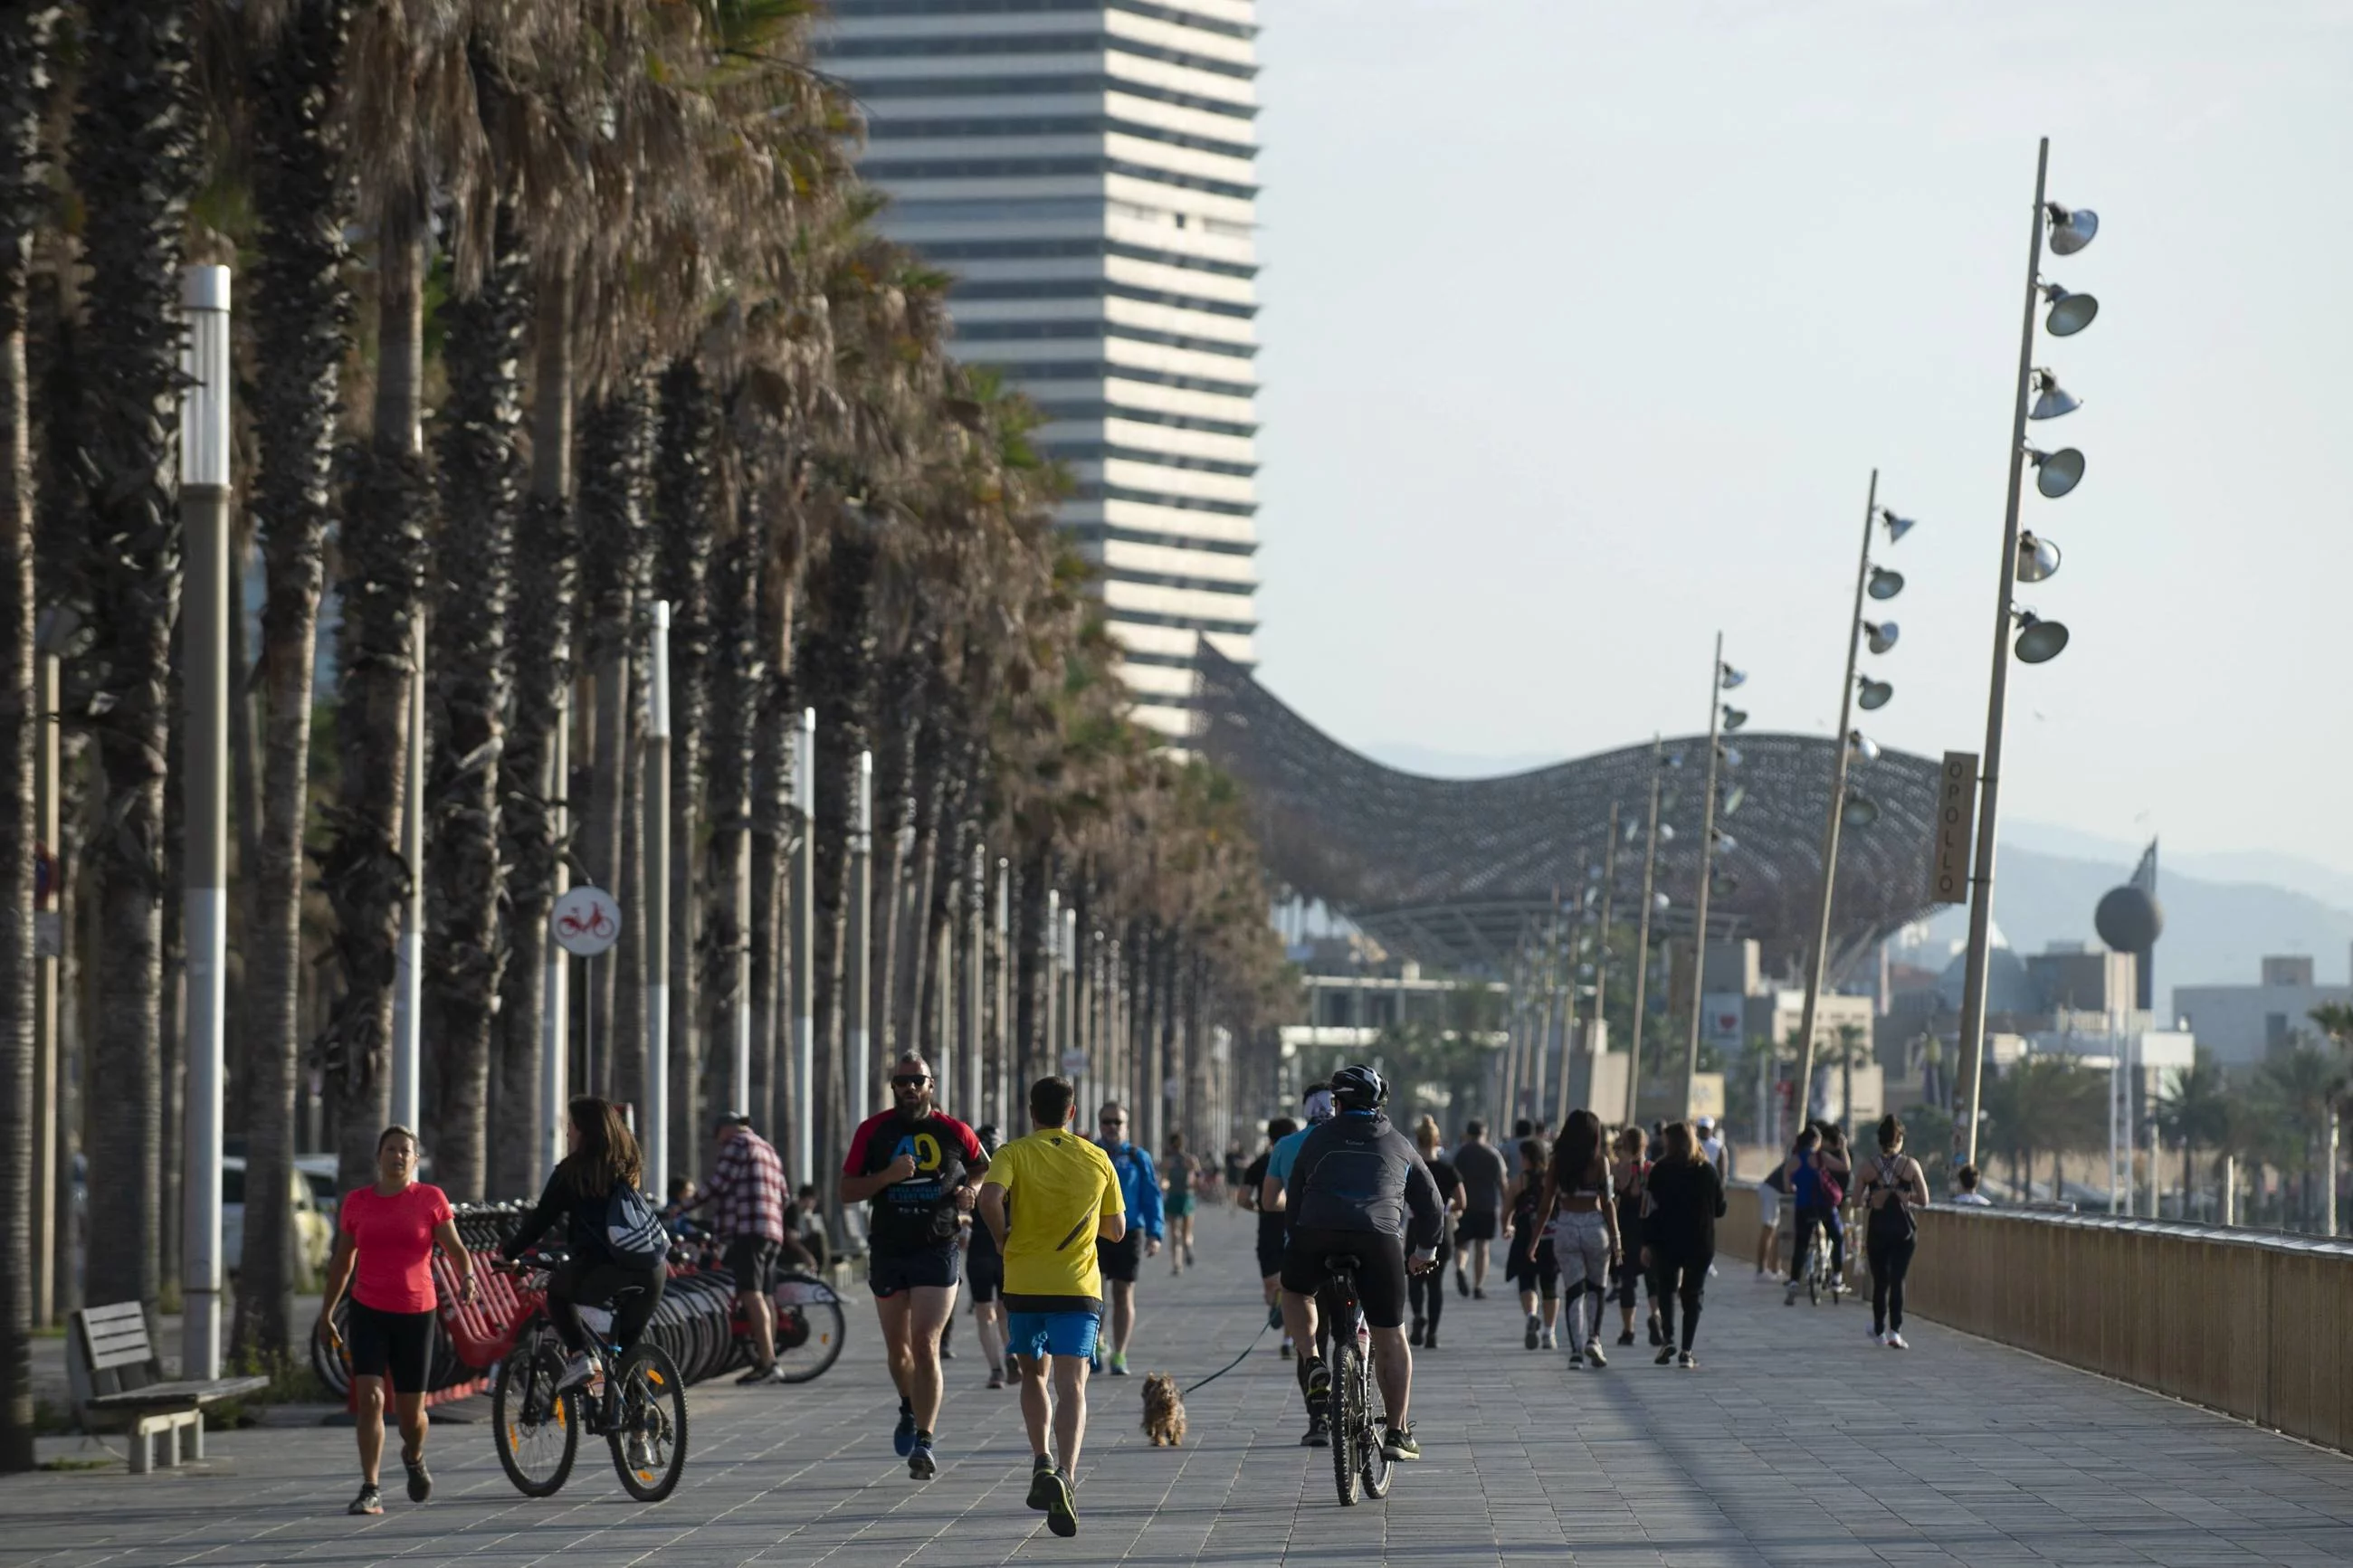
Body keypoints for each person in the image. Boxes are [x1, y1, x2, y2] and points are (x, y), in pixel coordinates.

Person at [977, 1075, 1125, 1539]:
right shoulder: (1097, 1158)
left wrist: (1003, 1237)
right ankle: (1066, 1474)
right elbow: (1117, 1229)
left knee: (1032, 1376)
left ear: (1031, 1111)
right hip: (1078, 1287)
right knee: (1072, 1385)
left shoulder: (1013, 1153)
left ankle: (1040, 1459)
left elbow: (987, 1197)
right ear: (1073, 1112)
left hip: (1025, 1283)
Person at [1278, 1064, 1444, 1461]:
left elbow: (1296, 1195)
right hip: (1379, 1241)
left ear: (1338, 1103)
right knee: (1391, 1333)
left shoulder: (1316, 1140)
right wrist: (1425, 1252)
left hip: (1317, 1234)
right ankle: (1397, 1432)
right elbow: (1432, 1205)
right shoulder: (1400, 1144)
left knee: (1296, 1291)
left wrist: (1297, 1240)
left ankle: (1313, 1360)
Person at [500, 1098, 671, 1466]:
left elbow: (539, 1221)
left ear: (585, 1130)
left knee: (557, 1293)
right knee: (625, 1353)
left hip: (607, 1268)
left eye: (571, 1125)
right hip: (652, 1270)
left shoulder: (572, 1172)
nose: (566, 1131)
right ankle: (639, 1437)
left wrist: (508, 1254)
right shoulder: (629, 1166)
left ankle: (579, 1357)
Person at [842, 1052, 988, 1479]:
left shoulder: (954, 1130)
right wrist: (886, 1177)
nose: (909, 1088)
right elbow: (846, 1190)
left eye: (917, 1080)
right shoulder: (873, 1131)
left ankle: (925, 1439)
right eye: (902, 1081)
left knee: (926, 1344)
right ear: (893, 1087)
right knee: (898, 1349)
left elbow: (983, 1168)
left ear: (931, 1084)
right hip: (889, 1248)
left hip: (937, 1247)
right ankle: (907, 1406)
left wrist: (971, 1192)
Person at [318, 1126, 472, 1516]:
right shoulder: (357, 1203)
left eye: (405, 1150)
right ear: (378, 1156)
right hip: (367, 1310)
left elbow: (456, 1250)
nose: (397, 1156)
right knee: (370, 1399)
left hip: (417, 1314)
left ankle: (414, 1456)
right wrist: (326, 1313)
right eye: (390, 1149)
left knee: (410, 1417)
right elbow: (342, 1261)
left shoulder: (430, 1199)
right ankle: (370, 1488)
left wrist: (467, 1276)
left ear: (415, 1160)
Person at [681, 1111, 792, 1384]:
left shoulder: (737, 1144)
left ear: (725, 1129)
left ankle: (768, 1363)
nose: (719, 1143)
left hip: (748, 1230)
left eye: (718, 1136)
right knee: (764, 1294)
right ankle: (768, 1358)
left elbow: (718, 1185)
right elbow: (785, 1196)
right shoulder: (768, 1149)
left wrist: (680, 1209)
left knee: (750, 1292)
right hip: (772, 1231)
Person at [1537, 1108, 1621, 1369]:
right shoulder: (1601, 1162)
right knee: (1596, 1288)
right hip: (1595, 1227)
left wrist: (1534, 1240)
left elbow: (1546, 1205)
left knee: (1574, 1290)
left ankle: (1575, 1352)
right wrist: (1617, 1238)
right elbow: (1607, 1203)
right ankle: (1593, 1340)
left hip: (1566, 1227)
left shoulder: (1557, 1162)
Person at [1642, 1120, 1726, 1368]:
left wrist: (1646, 1242)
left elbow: (1648, 1209)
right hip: (1700, 1241)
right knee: (1693, 1294)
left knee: (1666, 1289)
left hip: (1666, 1239)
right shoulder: (1707, 1171)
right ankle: (1686, 1351)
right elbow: (1720, 1208)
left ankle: (1668, 1339)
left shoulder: (1660, 1170)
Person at [1091, 1102, 1162, 1375]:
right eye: (1106, 1121)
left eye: (1117, 1122)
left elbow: (1151, 1195)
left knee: (1123, 1292)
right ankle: (1096, 1342)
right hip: (1094, 1232)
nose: (1111, 1127)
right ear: (1099, 1124)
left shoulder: (1137, 1157)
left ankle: (1119, 1353)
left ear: (1126, 1126)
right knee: (1094, 1293)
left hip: (1129, 1232)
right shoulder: (1090, 1153)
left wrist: (1155, 1234)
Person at [1859, 1114, 1931, 1348]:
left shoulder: (1868, 1167)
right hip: (1904, 1231)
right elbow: (1925, 1200)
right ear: (1900, 1139)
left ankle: (1879, 1331)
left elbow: (1855, 1201)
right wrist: (1905, 1195)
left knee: (1881, 1281)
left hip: (1878, 1229)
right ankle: (1896, 1332)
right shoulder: (1910, 1165)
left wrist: (1873, 1199)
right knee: (1898, 1279)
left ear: (1879, 1140)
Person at [1243, 1116, 1299, 1357]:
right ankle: (1288, 1338)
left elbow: (1242, 1199)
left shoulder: (1259, 1164)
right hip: (1295, 1230)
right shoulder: (1298, 1160)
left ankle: (1276, 1304)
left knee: (1273, 1287)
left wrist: (1260, 1207)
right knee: (1293, 1289)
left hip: (1267, 1231)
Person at [1408, 1116, 1465, 1349]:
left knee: (1415, 1278)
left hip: (1415, 1228)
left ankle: (1418, 1315)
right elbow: (1462, 1201)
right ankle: (1432, 1333)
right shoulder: (1447, 1169)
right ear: (1437, 1139)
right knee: (1435, 1284)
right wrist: (1448, 1207)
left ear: (1418, 1140)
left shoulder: (1411, 1168)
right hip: (1442, 1230)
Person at [1501, 1137, 1558, 1350]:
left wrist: (1506, 1227)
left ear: (1526, 1158)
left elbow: (1507, 1210)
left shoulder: (1519, 1182)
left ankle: (1532, 1316)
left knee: (1526, 1281)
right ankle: (1548, 1332)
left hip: (1525, 1234)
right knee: (1549, 1284)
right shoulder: (1551, 1180)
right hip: (1549, 1234)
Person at [966, 1125, 1010, 1388]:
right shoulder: (971, 1177)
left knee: (994, 1311)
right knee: (993, 1311)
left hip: (995, 1250)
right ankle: (1000, 1363)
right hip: (989, 1251)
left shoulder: (1007, 1175)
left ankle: (1003, 1363)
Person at [1609, 1126, 1661, 1347]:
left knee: (1627, 1282)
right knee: (1653, 1281)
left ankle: (1628, 1330)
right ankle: (1655, 1316)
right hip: (1650, 1231)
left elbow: (1612, 1200)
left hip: (1626, 1231)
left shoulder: (1619, 1171)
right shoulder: (1654, 1170)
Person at [1450, 1118, 1508, 1299]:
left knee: (1462, 1244)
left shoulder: (1459, 1153)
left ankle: (1460, 1268)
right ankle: (1478, 1287)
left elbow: (1450, 1178)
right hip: (1487, 1206)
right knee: (1482, 1247)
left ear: (1468, 1134)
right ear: (1484, 1134)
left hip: (1464, 1205)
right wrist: (1508, 1206)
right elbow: (1502, 1182)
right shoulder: (1493, 1154)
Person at [1784, 1126, 1836, 1305]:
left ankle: (1793, 1282)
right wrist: (1843, 1148)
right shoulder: (1821, 1157)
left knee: (1801, 1245)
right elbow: (1845, 1167)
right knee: (1836, 1235)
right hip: (1824, 1207)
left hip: (1803, 1208)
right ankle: (1836, 1276)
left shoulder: (1794, 1161)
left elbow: (1787, 1187)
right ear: (1816, 1141)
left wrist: (1797, 1187)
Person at [1161, 1130, 1201, 1275]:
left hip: (1179, 1196)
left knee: (1177, 1233)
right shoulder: (1187, 1159)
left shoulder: (1174, 1161)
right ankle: (1183, 1253)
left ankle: (1181, 1258)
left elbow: (1164, 1180)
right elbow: (1197, 1178)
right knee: (1181, 1232)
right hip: (1183, 1196)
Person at [1755, 1153, 1790, 1276]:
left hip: (1777, 1193)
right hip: (1772, 1192)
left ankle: (1775, 1269)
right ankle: (1761, 1270)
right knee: (1768, 1229)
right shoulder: (1802, 1159)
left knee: (1778, 1233)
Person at [1696, 1116, 1730, 1185]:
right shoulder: (1692, 1143)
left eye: (1706, 1129)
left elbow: (1723, 1169)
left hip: (1710, 1182)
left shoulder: (1718, 1146)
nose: (1704, 1131)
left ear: (1712, 1129)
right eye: (1702, 1128)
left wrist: (1721, 1185)